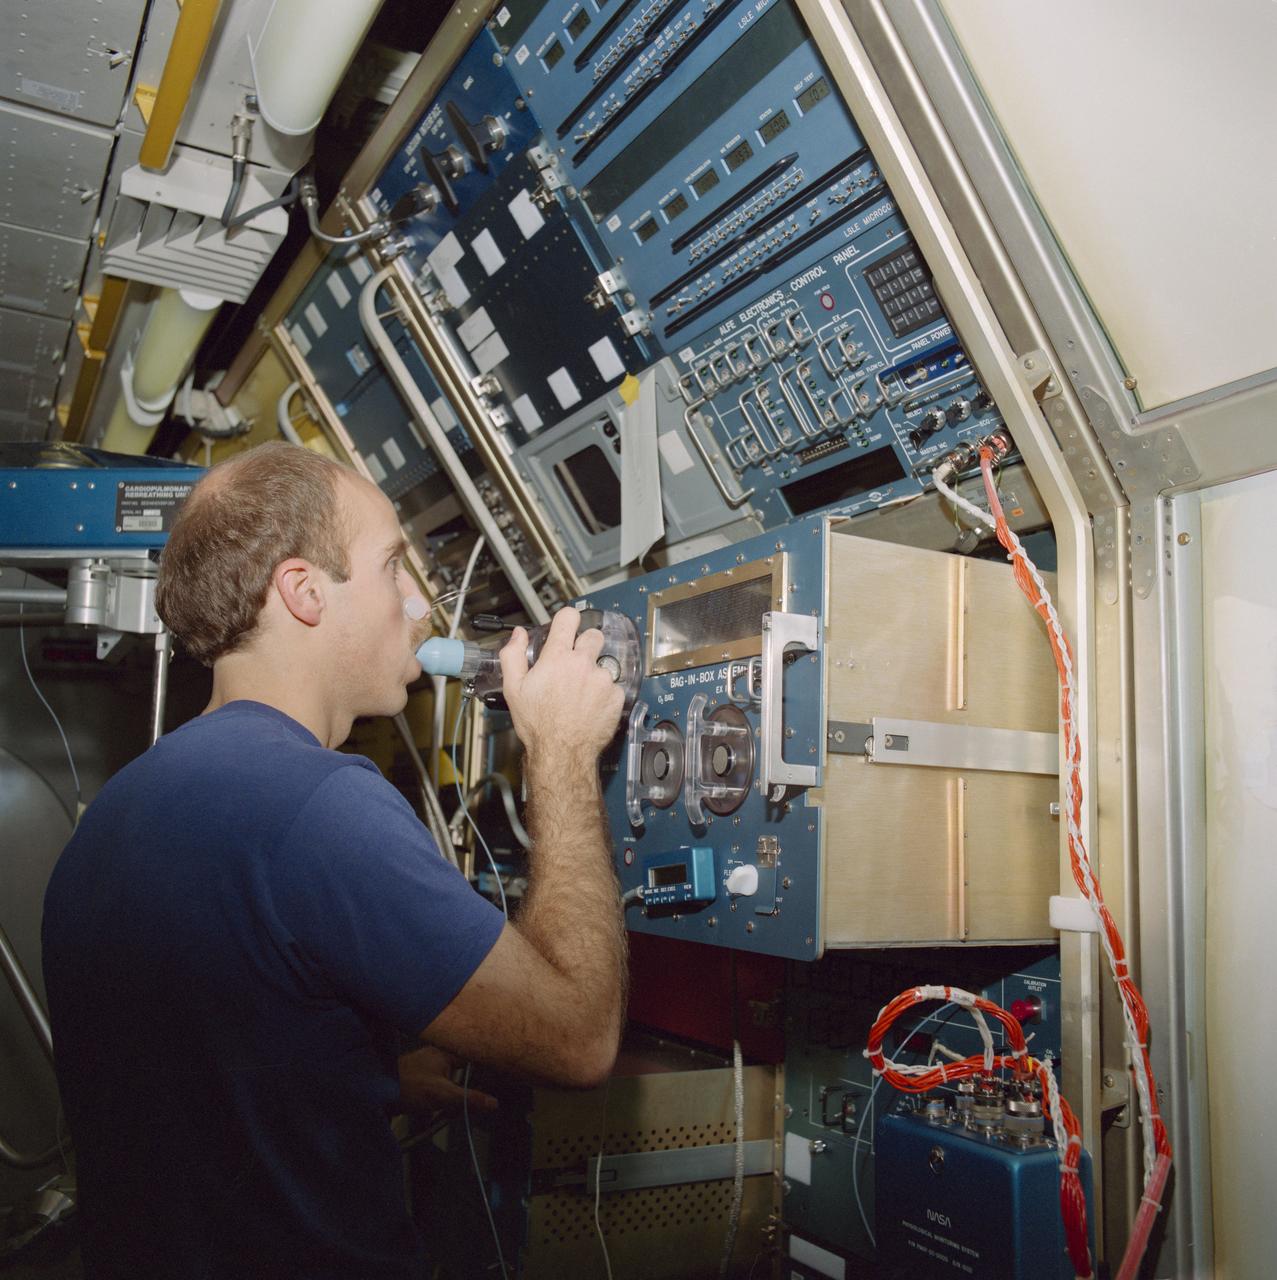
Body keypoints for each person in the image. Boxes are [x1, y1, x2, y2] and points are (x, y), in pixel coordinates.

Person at [41, 441, 628, 1279]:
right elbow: (579, 1040)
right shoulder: (320, 805)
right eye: (393, 565)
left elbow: (199, 1076)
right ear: (304, 592)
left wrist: (363, 1078)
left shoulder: (112, 818)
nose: (421, 606)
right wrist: (562, 754)